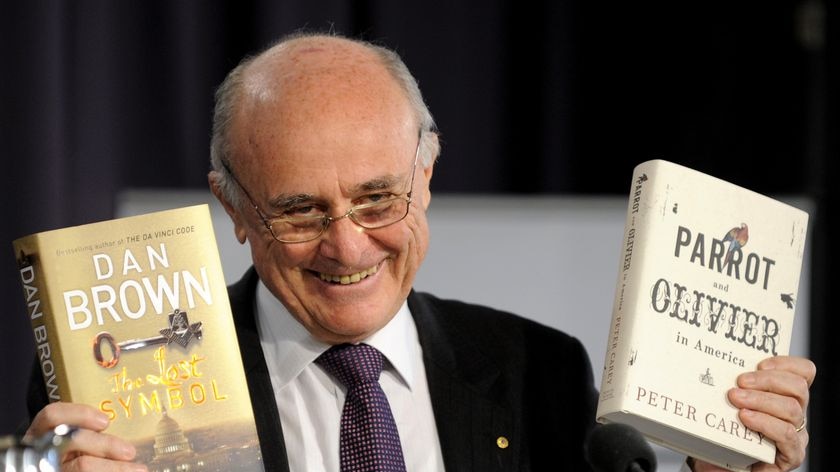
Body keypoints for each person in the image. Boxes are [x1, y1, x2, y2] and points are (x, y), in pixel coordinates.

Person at [25, 32, 815, 472]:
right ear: (233, 206)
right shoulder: (122, 393)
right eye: (299, 211)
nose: (346, 244)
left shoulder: (539, 371)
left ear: (426, 175)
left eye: (378, 199)